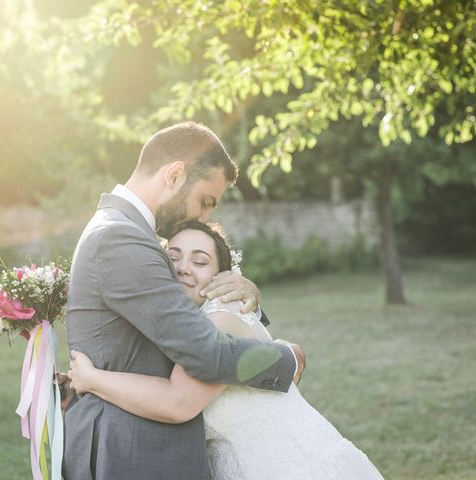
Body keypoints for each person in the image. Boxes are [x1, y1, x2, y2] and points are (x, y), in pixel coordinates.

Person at [64, 122, 305, 480]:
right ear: (175, 176)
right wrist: (287, 358)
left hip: (138, 443)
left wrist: (246, 303)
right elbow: (205, 352)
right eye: (205, 202)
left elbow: (178, 311)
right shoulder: (121, 238)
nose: (206, 218)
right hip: (129, 451)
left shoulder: (123, 230)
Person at [68, 221, 385, 480]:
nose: (182, 268)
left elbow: (178, 402)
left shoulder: (220, 316)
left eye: (199, 261)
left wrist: (91, 378)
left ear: (223, 276)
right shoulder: (181, 325)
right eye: (172, 257)